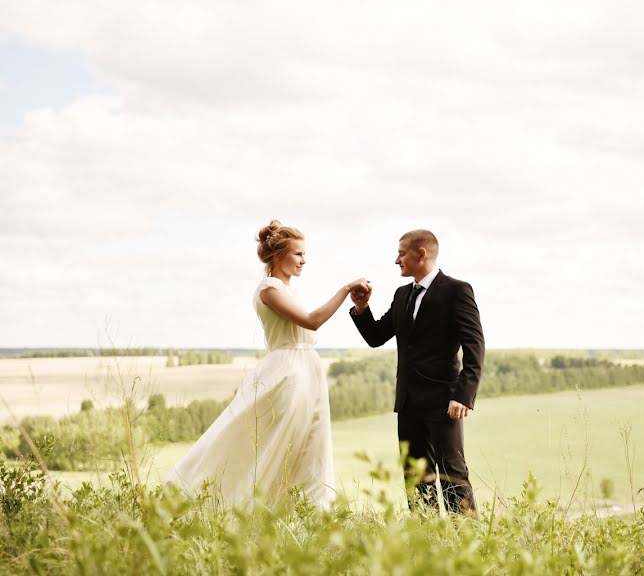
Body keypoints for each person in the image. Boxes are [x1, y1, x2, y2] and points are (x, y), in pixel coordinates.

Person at [164, 220, 369, 508]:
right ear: (278, 255)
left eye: (303, 254)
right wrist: (345, 289)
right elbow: (312, 321)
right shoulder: (269, 290)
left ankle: (311, 512)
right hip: (288, 372)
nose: (303, 260)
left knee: (311, 444)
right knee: (278, 443)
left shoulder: (287, 290)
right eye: (298, 253)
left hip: (307, 370)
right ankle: (249, 505)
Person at [349, 229, 485, 514]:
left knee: (452, 476)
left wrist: (463, 395)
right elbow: (376, 337)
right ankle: (428, 545)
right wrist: (362, 308)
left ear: (421, 253)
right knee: (416, 480)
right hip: (408, 403)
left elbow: (475, 347)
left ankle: (470, 546)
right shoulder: (402, 295)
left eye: (401, 253)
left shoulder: (457, 290)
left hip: (444, 402)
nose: (396, 259)